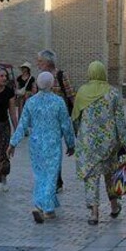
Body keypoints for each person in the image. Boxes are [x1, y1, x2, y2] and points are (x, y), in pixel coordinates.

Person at [7, 71, 75, 223]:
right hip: (52, 144)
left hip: (36, 144)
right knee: (51, 174)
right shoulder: (58, 102)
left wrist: (13, 143)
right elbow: (65, 124)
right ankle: (47, 208)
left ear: (37, 84)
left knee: (40, 175)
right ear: (52, 84)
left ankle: (40, 204)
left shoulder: (31, 102)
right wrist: (71, 144)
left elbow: (22, 124)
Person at [72, 61, 126, 225]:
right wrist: (124, 141)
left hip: (88, 143)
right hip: (109, 143)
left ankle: (94, 212)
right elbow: (120, 120)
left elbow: (76, 118)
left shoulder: (82, 92)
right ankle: (114, 206)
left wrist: (80, 135)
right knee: (110, 175)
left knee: (90, 177)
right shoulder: (113, 93)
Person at [37, 49, 73, 192]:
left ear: (47, 62)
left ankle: (56, 180)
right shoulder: (39, 77)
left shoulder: (61, 75)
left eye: (40, 61)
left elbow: (71, 96)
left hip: (57, 122)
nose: (37, 64)